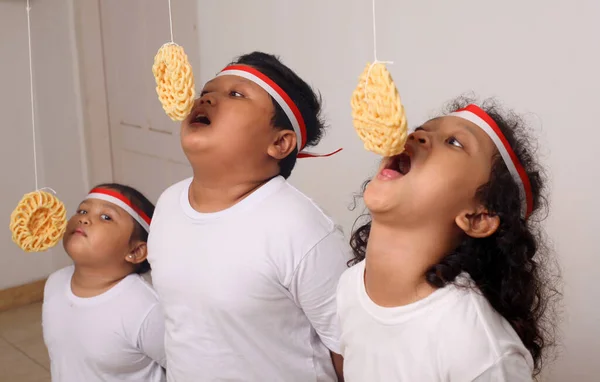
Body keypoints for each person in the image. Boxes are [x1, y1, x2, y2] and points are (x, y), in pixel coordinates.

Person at [147, 52, 348, 381]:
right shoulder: (169, 203)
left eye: (236, 94)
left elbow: (347, 349)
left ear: (280, 143)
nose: (208, 97)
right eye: (206, 92)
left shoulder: (300, 228)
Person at [337, 99, 558, 381]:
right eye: (420, 129)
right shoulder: (350, 288)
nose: (416, 135)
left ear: (478, 217)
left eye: (454, 142)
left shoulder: (478, 350)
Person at [43, 184, 166, 382]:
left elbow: (185, 367)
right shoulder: (54, 284)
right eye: (82, 210)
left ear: (135, 252)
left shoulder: (144, 308)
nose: (83, 218)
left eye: (106, 217)